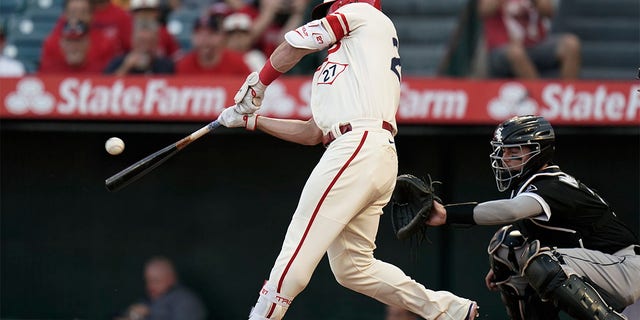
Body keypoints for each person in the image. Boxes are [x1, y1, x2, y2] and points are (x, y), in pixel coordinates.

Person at [216, 1, 479, 319]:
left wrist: (258, 83)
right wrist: (252, 121)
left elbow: (292, 44)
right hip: (363, 150)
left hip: (358, 145)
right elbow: (313, 132)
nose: (325, 18)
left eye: (328, 10)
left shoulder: (364, 14)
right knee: (353, 268)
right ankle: (448, 309)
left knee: (298, 249)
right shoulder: (345, 66)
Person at [425, 115, 640, 319]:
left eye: (514, 151)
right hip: (601, 267)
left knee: (543, 263)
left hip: (625, 268)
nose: (505, 158)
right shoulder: (532, 184)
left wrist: (447, 214)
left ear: (538, 151)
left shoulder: (552, 183)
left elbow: (511, 211)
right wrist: (508, 268)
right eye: (504, 151)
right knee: (507, 245)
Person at [478, 0, 581, 79]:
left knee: (571, 44)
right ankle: (539, 97)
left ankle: (566, 97)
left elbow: (549, 12)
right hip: (502, 49)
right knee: (516, 53)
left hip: (535, 45)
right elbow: (485, 9)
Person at [116, 256, 207, 320]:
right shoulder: (148, 300)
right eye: (148, 281)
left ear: (171, 279)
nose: (150, 286)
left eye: (156, 281)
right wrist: (133, 315)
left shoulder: (186, 301)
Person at [175, 12, 251, 75]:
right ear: (192, 36)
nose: (204, 39)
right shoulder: (183, 65)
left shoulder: (237, 63)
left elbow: (252, 90)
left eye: (211, 34)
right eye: (199, 34)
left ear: (221, 37)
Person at [39, 20, 118, 73]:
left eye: (78, 41)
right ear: (61, 44)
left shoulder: (102, 70)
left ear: (87, 43)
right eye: (69, 41)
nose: (74, 46)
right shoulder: (49, 70)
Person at [104, 19, 175, 75]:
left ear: (156, 42)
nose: (144, 47)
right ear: (133, 41)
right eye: (141, 41)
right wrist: (125, 67)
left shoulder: (165, 65)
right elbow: (105, 87)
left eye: (149, 41)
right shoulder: (118, 62)